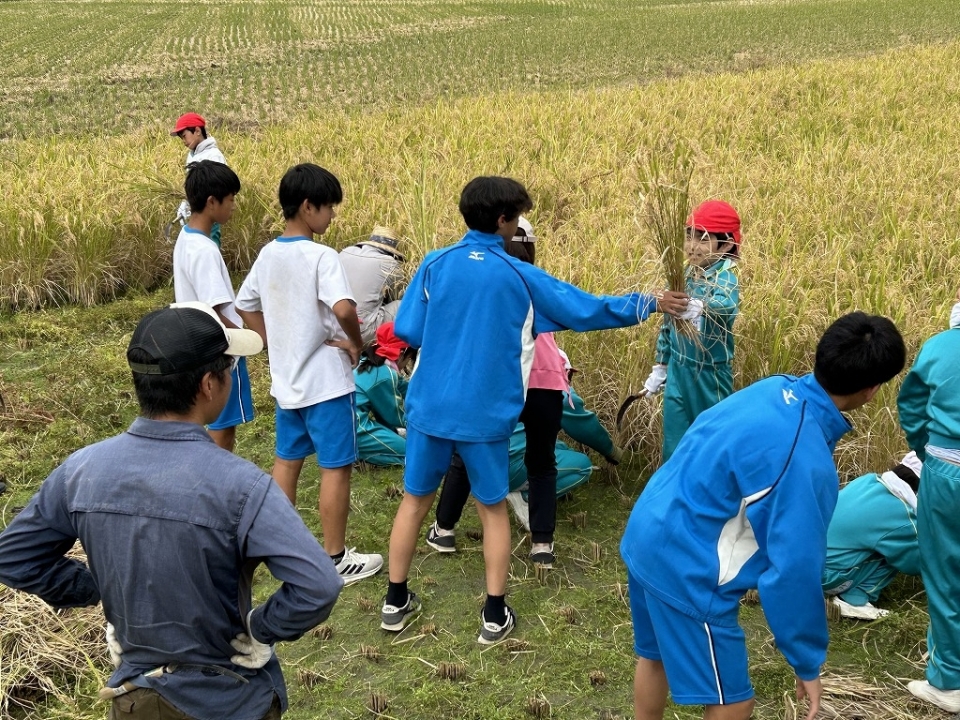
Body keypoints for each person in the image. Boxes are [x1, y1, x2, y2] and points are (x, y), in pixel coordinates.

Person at [380, 176, 689, 644]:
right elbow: (586, 310)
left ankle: (395, 601)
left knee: (414, 502)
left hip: (429, 407)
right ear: (503, 220)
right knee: (492, 511)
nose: (520, 224)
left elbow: (408, 327)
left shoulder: (435, 263)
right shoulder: (522, 276)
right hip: (484, 416)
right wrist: (649, 304)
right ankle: (493, 615)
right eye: (518, 216)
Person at [0, 302, 344, 720]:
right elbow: (318, 585)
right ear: (208, 385)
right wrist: (260, 629)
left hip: (137, 697)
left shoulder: (81, 471)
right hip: (230, 701)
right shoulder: (242, 486)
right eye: (231, 369)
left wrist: (96, 589)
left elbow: (14, 556)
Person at [620, 311, 905, 720]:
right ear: (872, 389)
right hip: (688, 566)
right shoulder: (805, 460)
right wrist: (805, 661)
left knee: (656, 655)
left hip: (649, 530)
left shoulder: (774, 388)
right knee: (734, 701)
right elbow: (792, 569)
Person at [235, 163, 383, 585]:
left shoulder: (268, 254)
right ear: (307, 206)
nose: (332, 216)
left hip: (288, 382)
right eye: (329, 207)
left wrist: (271, 341)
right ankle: (335, 558)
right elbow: (343, 309)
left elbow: (245, 304)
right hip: (326, 383)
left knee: (287, 461)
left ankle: (283, 551)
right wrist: (355, 343)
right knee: (336, 467)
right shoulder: (322, 256)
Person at [428, 383, 621, 553]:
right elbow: (584, 424)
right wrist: (612, 451)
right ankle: (525, 498)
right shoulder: (552, 381)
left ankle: (444, 528)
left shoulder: (494, 373)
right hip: (513, 465)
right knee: (579, 465)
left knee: (462, 459)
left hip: (481, 458)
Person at [897, 286, 960, 713]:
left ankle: (948, 680)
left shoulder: (941, 346)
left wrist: (925, 452)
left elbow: (912, 407)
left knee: (944, 569)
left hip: (948, 467)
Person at [642, 200, 741, 462]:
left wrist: (699, 306)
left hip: (709, 373)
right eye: (689, 236)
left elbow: (727, 306)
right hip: (678, 368)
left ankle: (713, 496)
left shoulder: (725, 274)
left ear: (727, 244)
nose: (692, 246)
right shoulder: (684, 273)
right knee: (674, 442)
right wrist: (661, 366)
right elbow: (668, 321)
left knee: (711, 441)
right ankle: (671, 494)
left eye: (703, 239)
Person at [172, 160, 253, 452]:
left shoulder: (186, 237)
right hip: (223, 352)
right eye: (230, 199)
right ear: (211, 202)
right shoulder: (205, 250)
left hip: (197, 345)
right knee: (223, 430)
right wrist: (251, 341)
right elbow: (216, 312)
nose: (233, 206)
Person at [822, 452, 922, 620]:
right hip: (824, 578)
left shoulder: (869, 481)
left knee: (886, 542)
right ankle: (853, 601)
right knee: (899, 550)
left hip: (804, 565)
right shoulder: (900, 515)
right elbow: (919, 562)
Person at [354, 322, 412, 467]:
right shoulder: (385, 375)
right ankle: (359, 456)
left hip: (347, 425)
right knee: (413, 454)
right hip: (356, 428)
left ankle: (359, 454)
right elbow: (394, 416)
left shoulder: (370, 362)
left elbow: (406, 389)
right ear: (401, 353)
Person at [339, 225, 405, 345]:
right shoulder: (389, 263)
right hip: (361, 332)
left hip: (336, 326)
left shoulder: (345, 252)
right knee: (403, 305)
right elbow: (397, 294)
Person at [171, 112, 229, 246]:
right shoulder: (192, 155)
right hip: (196, 216)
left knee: (209, 249)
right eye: (181, 138)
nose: (184, 142)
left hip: (209, 217)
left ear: (197, 131)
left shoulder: (214, 156)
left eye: (184, 136)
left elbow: (220, 189)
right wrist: (186, 203)